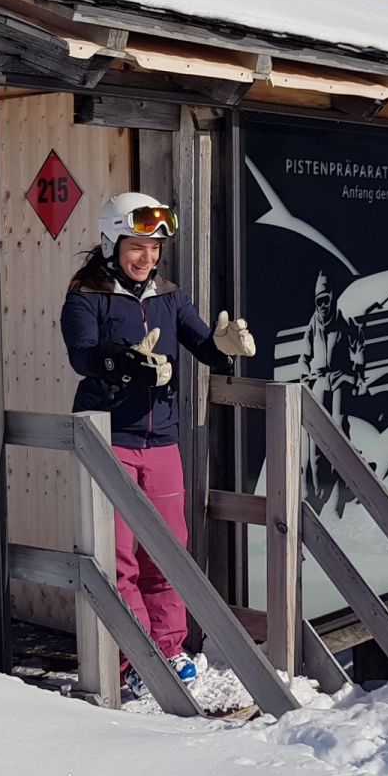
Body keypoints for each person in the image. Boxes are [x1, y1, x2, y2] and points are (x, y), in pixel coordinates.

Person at [60, 191, 255, 692]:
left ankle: (169, 649)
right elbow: (83, 354)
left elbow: (202, 342)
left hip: (162, 439)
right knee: (118, 556)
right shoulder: (86, 296)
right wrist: (125, 361)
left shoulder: (169, 295)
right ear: (112, 243)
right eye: (136, 246)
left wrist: (224, 349)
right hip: (110, 439)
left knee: (167, 551)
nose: (147, 257)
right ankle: (135, 658)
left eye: (154, 248)